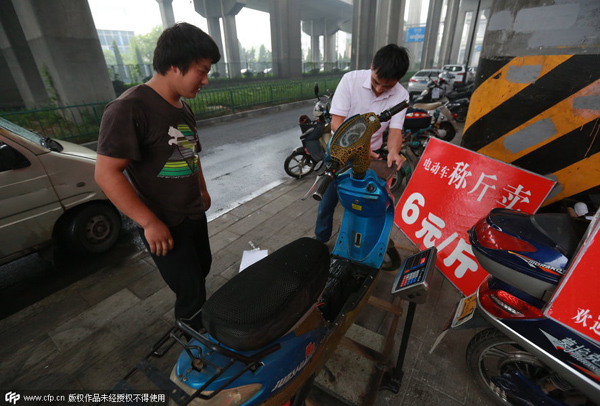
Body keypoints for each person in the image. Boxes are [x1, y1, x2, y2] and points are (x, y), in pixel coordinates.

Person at [94, 23, 221, 329]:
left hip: (192, 213)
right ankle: (196, 349)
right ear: (175, 66)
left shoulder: (182, 108)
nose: (205, 80)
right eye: (201, 71)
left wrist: (202, 190)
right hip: (163, 222)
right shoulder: (129, 108)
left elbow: (192, 153)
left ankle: (200, 328)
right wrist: (149, 222)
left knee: (201, 271)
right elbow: (106, 173)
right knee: (190, 292)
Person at [314, 44, 410, 243]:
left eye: (387, 86)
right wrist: (361, 145)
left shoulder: (401, 95)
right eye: (376, 82)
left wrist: (393, 151)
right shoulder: (350, 80)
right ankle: (320, 239)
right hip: (340, 152)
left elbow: (395, 131)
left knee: (363, 199)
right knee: (327, 201)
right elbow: (336, 122)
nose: (379, 89)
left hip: (369, 156)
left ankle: (358, 241)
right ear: (372, 66)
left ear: (398, 81)